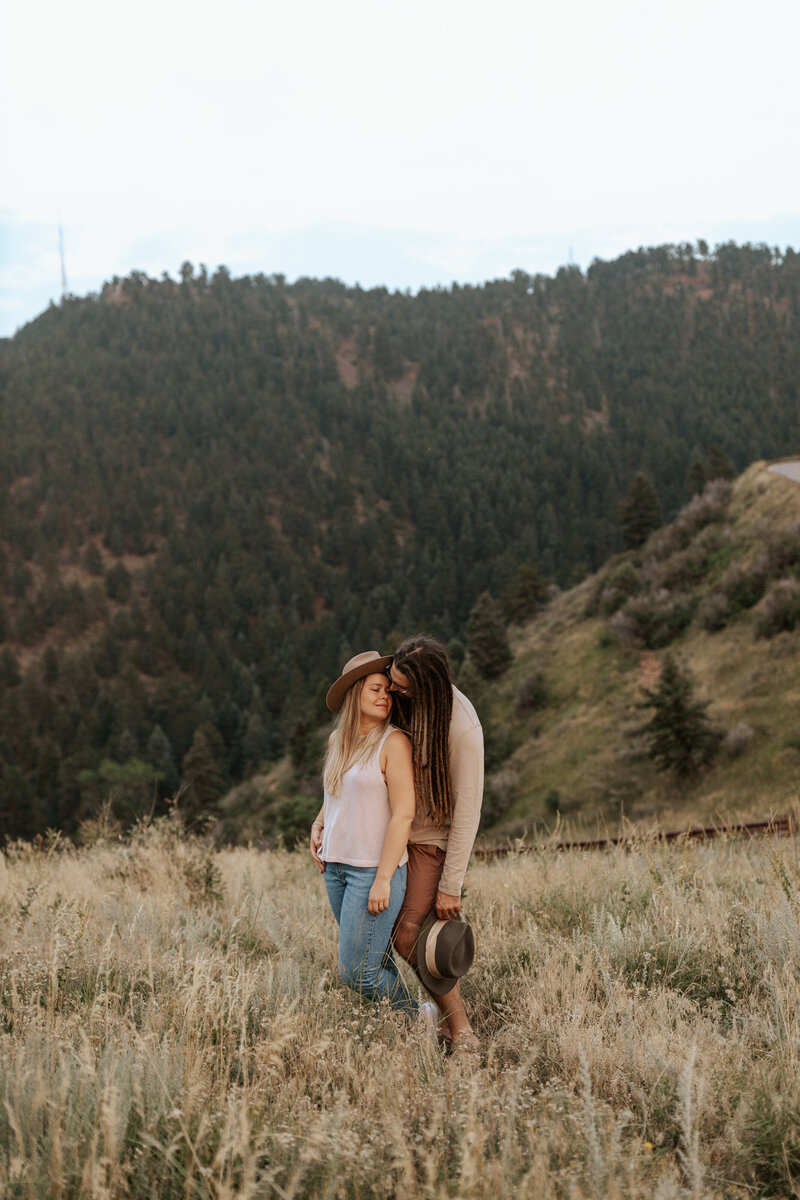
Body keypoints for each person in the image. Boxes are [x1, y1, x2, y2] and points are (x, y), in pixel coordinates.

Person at [387, 635, 484, 1053]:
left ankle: (460, 1030)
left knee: (409, 936)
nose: (392, 691)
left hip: (430, 842)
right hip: (394, 833)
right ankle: (442, 1024)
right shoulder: (406, 696)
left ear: (424, 688)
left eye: (400, 688)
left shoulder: (462, 727)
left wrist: (451, 884)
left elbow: (468, 811)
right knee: (389, 930)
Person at [309, 651, 419, 1017]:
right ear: (355, 693)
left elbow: (404, 813)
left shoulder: (394, 743)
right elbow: (337, 792)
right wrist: (320, 823)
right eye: (375, 689)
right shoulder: (337, 739)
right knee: (373, 960)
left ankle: (419, 1017)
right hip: (335, 868)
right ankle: (406, 1030)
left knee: (356, 972)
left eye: (388, 690)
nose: (385, 695)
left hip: (373, 871)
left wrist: (384, 879)